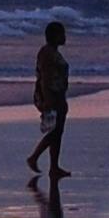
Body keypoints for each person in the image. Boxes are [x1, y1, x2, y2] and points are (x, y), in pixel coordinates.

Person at [26, 20, 71, 178]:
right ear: (55, 35)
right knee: (55, 131)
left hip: (58, 95)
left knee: (58, 131)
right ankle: (34, 157)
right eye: (62, 33)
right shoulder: (47, 53)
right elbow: (45, 78)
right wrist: (48, 100)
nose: (65, 36)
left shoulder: (53, 51)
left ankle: (54, 167)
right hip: (51, 96)